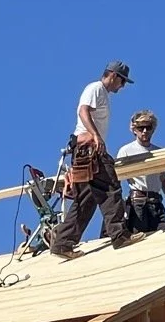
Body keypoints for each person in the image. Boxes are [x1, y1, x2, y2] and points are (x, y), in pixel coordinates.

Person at [46, 60, 136, 258]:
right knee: (110, 187)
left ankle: (62, 243)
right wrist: (95, 136)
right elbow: (83, 111)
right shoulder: (96, 88)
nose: (122, 87)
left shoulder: (102, 94)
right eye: (122, 82)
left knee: (86, 200)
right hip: (89, 150)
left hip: (84, 151)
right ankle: (119, 234)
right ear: (113, 75)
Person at [114, 110, 165, 234]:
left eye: (148, 127)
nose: (145, 131)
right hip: (138, 204)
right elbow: (117, 180)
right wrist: (119, 209)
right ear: (134, 129)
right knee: (140, 240)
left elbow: (163, 179)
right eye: (141, 128)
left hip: (156, 203)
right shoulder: (126, 151)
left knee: (164, 239)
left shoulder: (158, 152)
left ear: (153, 129)